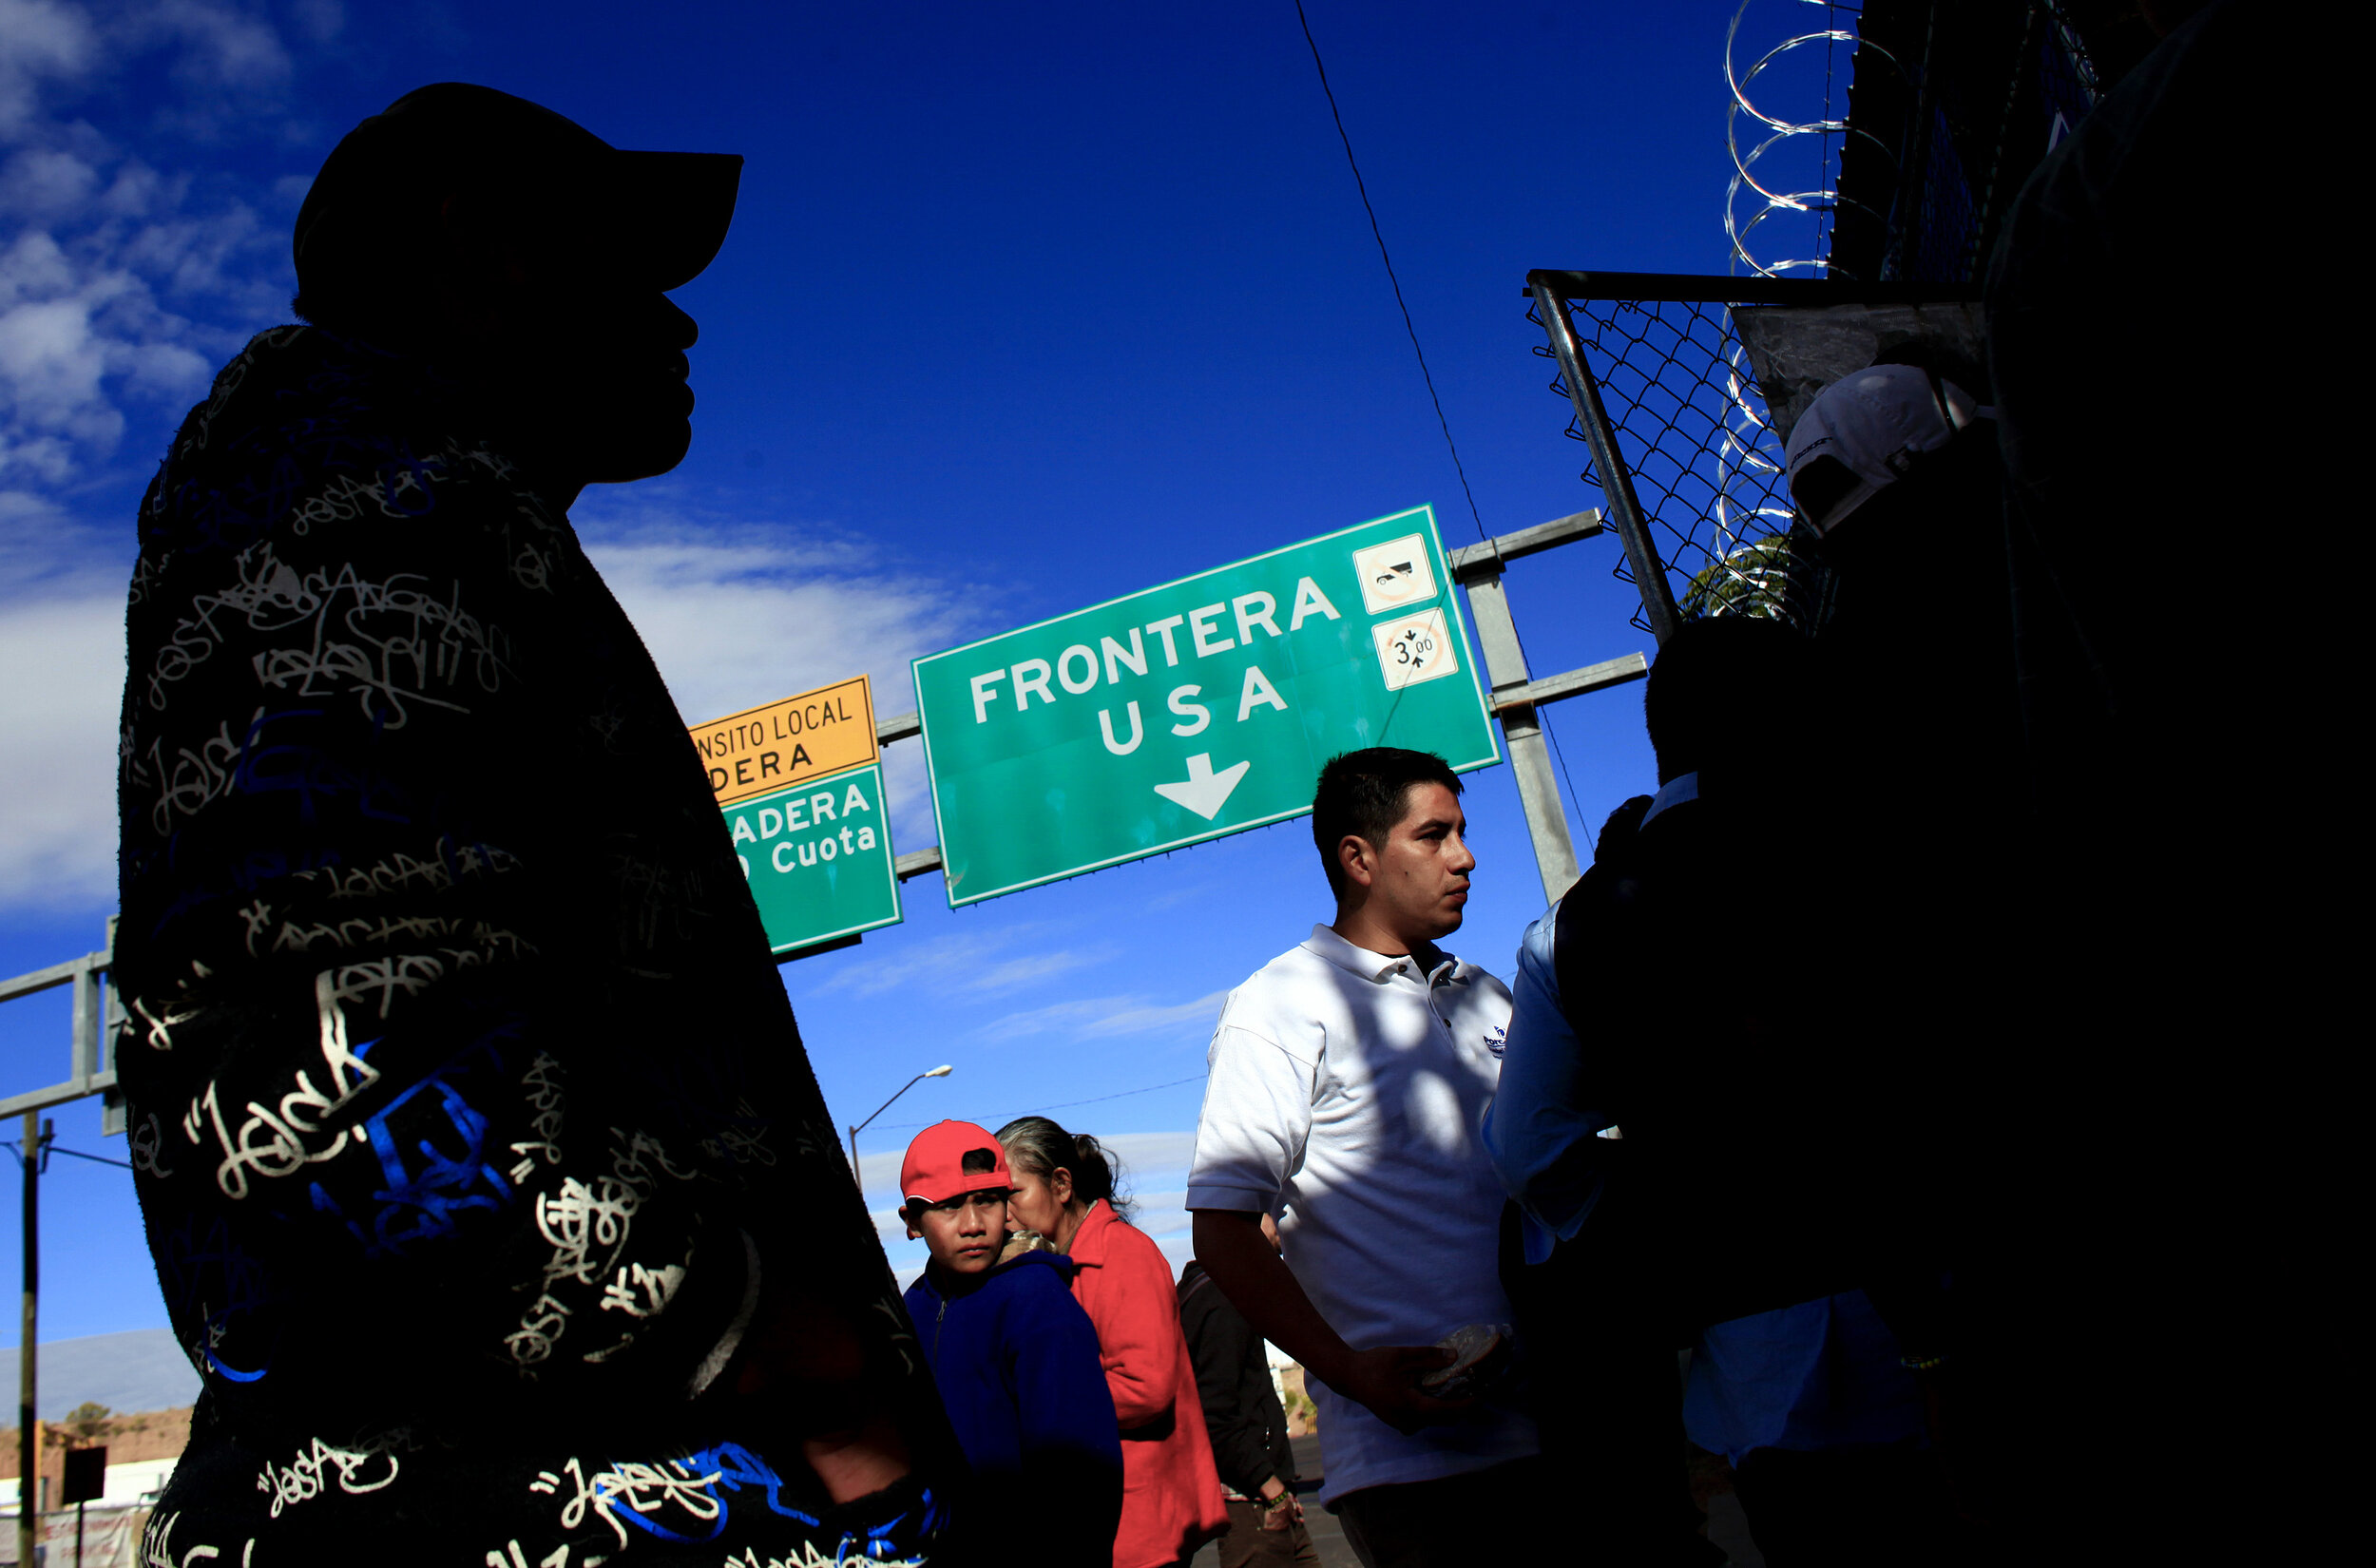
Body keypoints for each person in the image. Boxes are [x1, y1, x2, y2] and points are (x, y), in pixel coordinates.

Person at [112, 84, 955, 1563]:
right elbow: (340, 1061)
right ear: (480, 245)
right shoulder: (345, 474)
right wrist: (788, 1359)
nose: (681, 323)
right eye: (628, 261)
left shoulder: (425, 492)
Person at [1484, 616, 1950, 1564]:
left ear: (1662, 738)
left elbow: (1529, 1151)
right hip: (1945, 1284)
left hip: (1762, 1348)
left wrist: (1679, 1197)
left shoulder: (1570, 931)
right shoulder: (1884, 838)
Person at [1185, 748, 1542, 1568]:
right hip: (1414, 1464)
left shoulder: (1489, 995)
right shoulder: (1279, 1005)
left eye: (1463, 833)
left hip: (1564, 1432)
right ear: (1359, 858)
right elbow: (1225, 1230)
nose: (1466, 856)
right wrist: (1349, 1373)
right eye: (1435, 835)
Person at [997, 1118, 1229, 1568]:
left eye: (1013, 1194)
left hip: (1137, 1519)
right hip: (1098, 1517)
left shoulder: (1123, 1254)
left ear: (1061, 1184)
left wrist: (1033, 1408)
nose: (1001, 1214)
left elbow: (1146, 1389)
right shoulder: (1051, 1268)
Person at [898, 1121, 1123, 1568]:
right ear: (912, 1223)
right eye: (948, 1207)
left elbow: (1082, 1474)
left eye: (986, 1201)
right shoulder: (909, 1312)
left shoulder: (1036, 1298)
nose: (973, 1224)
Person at [1178, 1215, 1320, 1568]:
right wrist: (1270, 1489)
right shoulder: (1223, 1299)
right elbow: (1215, 1415)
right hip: (1253, 1508)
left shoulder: (1225, 1290)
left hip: (1269, 1502)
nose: (1284, 1221)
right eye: (1276, 1213)